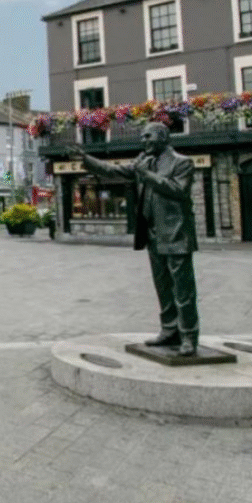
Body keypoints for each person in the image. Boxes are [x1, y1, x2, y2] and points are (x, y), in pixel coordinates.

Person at [69, 122, 200, 356]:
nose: (144, 141)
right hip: (153, 235)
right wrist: (87, 159)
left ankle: (189, 335)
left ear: (162, 137)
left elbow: (177, 190)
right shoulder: (145, 162)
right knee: (163, 288)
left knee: (183, 291)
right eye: (142, 137)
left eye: (147, 136)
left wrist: (145, 174)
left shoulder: (182, 163)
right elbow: (113, 171)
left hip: (176, 234)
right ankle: (169, 330)